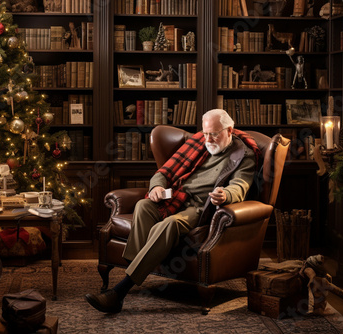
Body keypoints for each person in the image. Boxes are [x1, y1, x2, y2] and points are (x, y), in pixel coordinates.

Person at [85, 109, 261, 313]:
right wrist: (156, 188)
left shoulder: (243, 155)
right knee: (143, 205)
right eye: (205, 133)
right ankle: (138, 268)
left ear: (229, 130)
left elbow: (240, 186)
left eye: (214, 133)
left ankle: (120, 291)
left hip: (201, 207)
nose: (208, 138)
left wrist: (226, 195)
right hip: (176, 196)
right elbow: (163, 172)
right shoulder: (198, 143)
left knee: (170, 224)